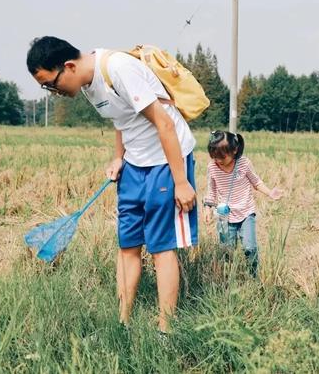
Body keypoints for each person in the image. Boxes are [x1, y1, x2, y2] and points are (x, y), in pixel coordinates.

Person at [26, 36, 197, 332]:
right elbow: (122, 121)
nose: (52, 92)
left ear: (68, 66)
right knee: (127, 244)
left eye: (51, 84)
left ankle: (165, 329)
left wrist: (180, 182)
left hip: (165, 163)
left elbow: (165, 124)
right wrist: (119, 157)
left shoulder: (117, 68)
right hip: (134, 165)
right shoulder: (88, 84)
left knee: (160, 247)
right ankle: (123, 323)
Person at [203, 131, 283, 278]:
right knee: (226, 250)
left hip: (246, 212)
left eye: (222, 157)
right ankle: (228, 278)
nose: (218, 160)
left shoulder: (244, 163)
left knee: (250, 247)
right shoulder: (212, 167)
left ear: (234, 150)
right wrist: (207, 208)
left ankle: (253, 276)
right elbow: (211, 191)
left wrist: (270, 192)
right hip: (225, 216)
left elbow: (256, 182)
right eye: (214, 156)